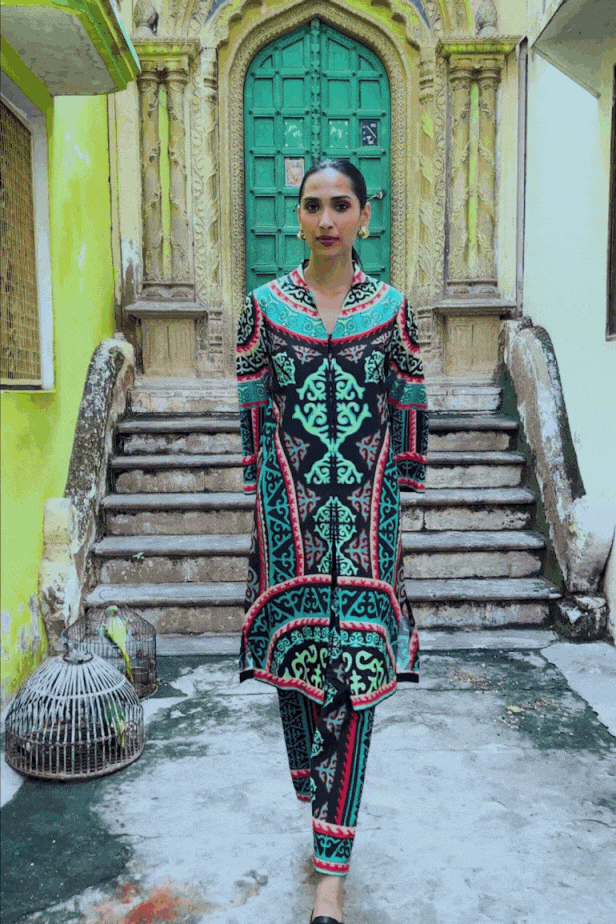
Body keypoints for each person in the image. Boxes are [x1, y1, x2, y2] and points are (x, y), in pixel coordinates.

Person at [236, 159, 428, 924]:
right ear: (299, 216)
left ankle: (331, 875)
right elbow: (253, 411)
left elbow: (409, 400)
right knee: (297, 675)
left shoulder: (392, 310)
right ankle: (313, 786)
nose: (326, 219)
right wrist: (264, 497)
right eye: (313, 205)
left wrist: (399, 481)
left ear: (364, 217)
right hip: (288, 526)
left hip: (369, 532)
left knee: (357, 686)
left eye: (341, 205)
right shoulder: (262, 310)